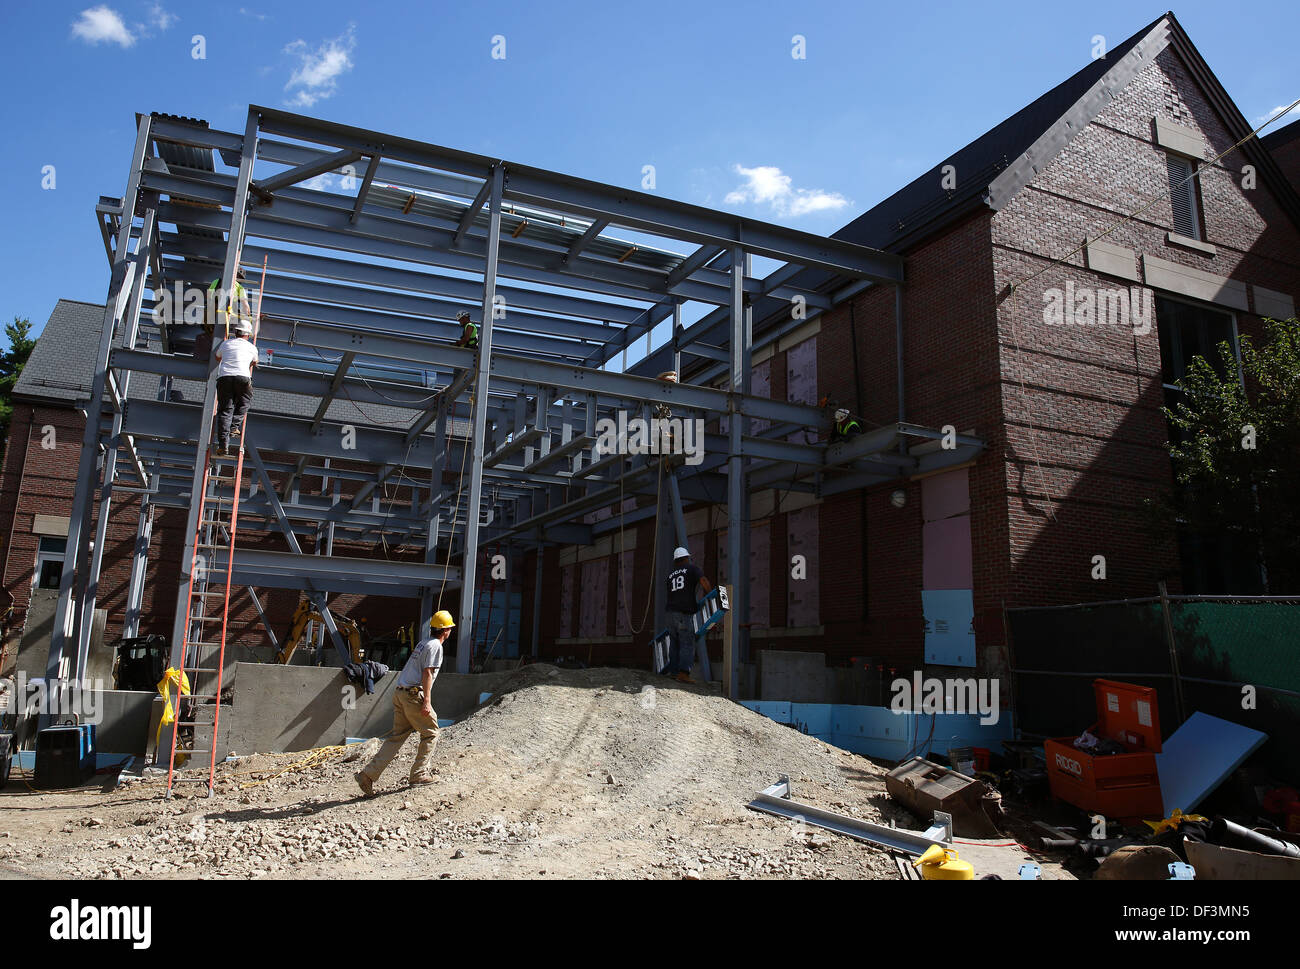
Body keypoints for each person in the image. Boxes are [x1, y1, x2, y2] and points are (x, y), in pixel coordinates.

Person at [355, 610, 454, 795]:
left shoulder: (423, 643)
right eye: (450, 628)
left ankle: (367, 775)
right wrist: (427, 701)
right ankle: (419, 774)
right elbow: (427, 673)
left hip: (401, 692)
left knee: (397, 737)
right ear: (446, 630)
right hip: (413, 695)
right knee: (431, 733)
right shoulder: (435, 646)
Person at [662, 546, 712, 684]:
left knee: (674, 642)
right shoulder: (692, 569)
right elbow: (704, 581)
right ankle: (684, 673)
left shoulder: (670, 575)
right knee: (687, 642)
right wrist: (710, 595)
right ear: (686, 558)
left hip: (670, 613)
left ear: (675, 560)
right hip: (683, 613)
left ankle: (674, 672)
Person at [212, 320, 258, 455]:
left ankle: (223, 445)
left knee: (225, 411)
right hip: (243, 378)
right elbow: (255, 362)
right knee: (245, 402)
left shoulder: (226, 343)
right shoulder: (251, 347)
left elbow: (217, 357)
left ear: (236, 332)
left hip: (224, 378)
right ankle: (234, 426)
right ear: (247, 335)